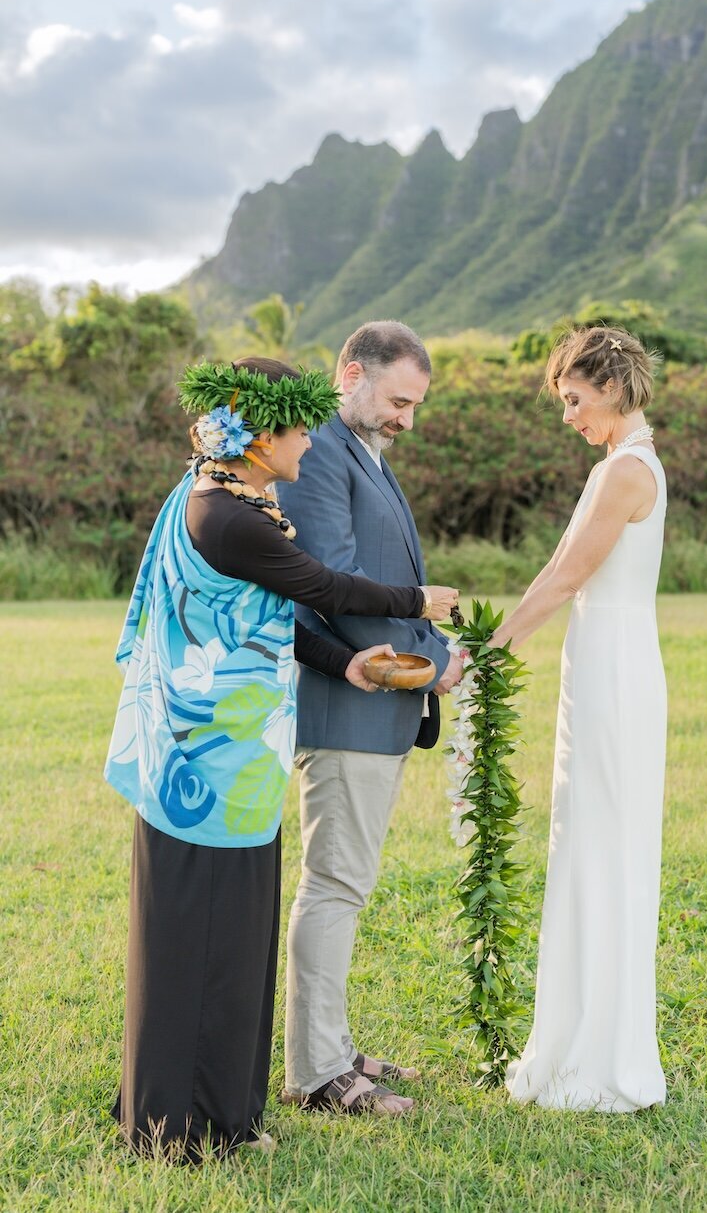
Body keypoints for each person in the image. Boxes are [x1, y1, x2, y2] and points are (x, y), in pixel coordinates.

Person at [104, 355, 459, 1158]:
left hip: (227, 763)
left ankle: (216, 1119)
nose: (309, 444)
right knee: (198, 945)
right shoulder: (226, 516)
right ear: (261, 438)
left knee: (228, 944)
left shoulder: (220, 497)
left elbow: (271, 621)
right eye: (300, 430)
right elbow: (321, 587)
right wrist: (417, 602)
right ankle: (176, 1133)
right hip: (206, 768)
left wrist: (345, 663)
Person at [279, 321, 463, 1116]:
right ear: (351, 374)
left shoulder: (362, 448)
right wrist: (431, 657)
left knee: (345, 884)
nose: (406, 419)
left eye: (415, 405)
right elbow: (335, 585)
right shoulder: (319, 450)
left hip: (375, 705)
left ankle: (333, 1044)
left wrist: (434, 645)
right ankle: (319, 1073)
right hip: (346, 704)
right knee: (333, 885)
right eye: (399, 400)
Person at [492, 326, 668, 1113]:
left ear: (611, 387)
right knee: (587, 838)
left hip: (617, 672)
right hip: (599, 662)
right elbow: (560, 574)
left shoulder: (627, 470)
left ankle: (602, 1054)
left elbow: (566, 577)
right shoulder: (618, 463)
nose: (568, 416)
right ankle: (577, 1037)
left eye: (573, 399)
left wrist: (491, 650)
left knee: (604, 842)